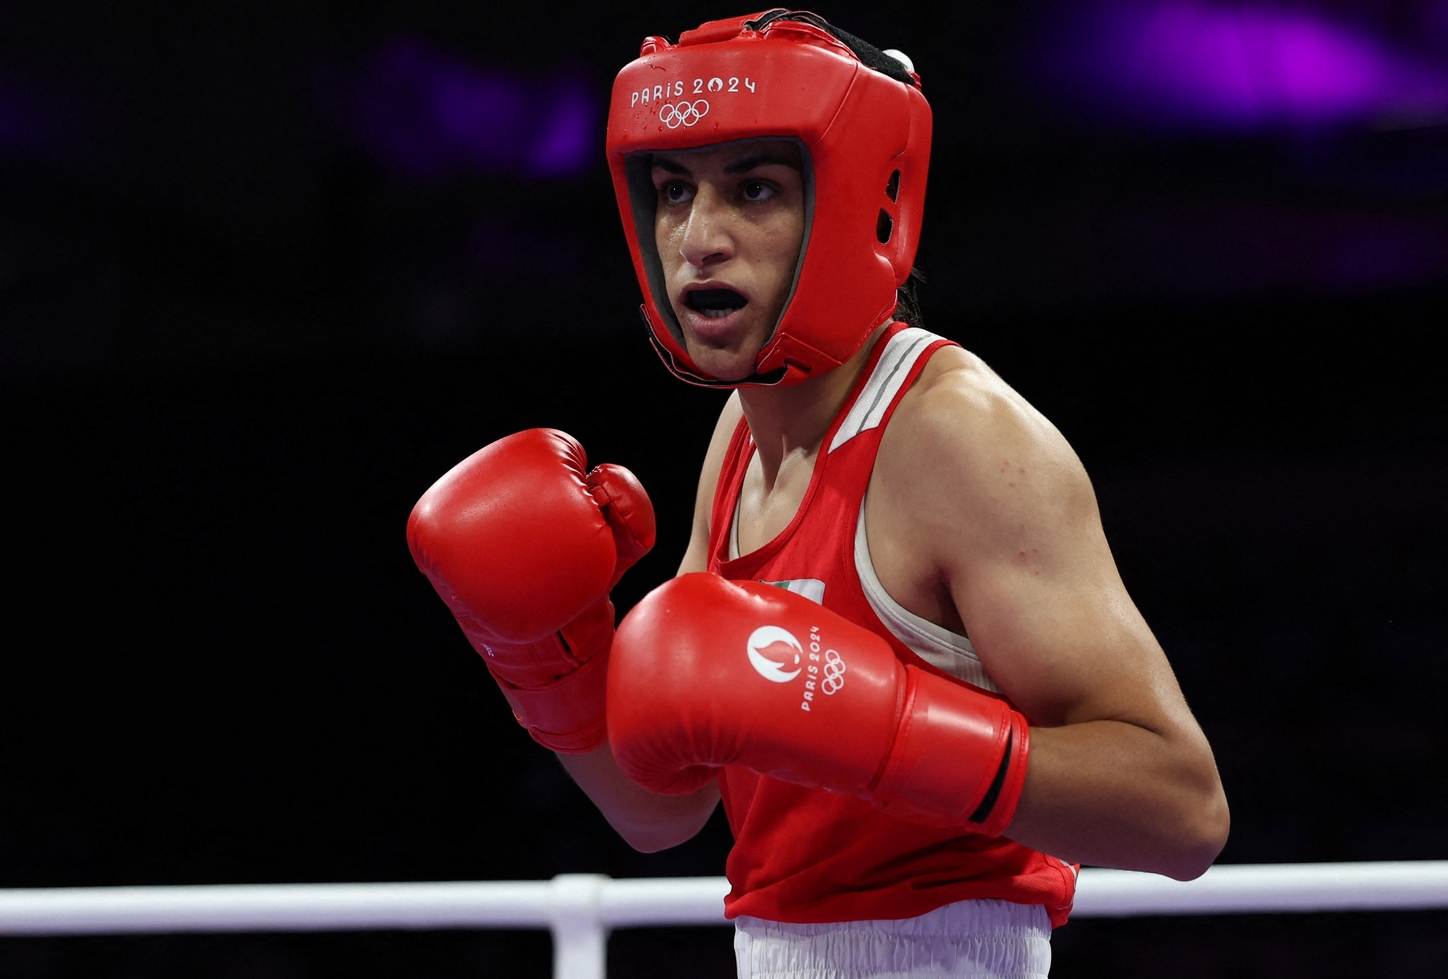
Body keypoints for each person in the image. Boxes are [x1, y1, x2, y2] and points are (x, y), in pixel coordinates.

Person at [408, 10, 1229, 978]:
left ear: (858, 202)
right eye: (673, 192)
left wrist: (885, 729)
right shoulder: (739, 439)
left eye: (752, 189)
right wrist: (542, 659)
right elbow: (661, 810)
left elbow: (1183, 811)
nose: (697, 240)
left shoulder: (952, 435)